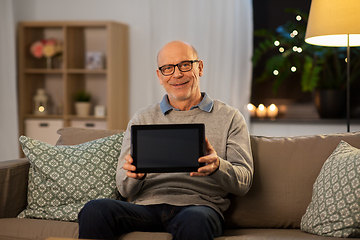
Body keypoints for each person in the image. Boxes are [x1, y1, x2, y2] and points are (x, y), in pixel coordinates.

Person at [78, 41, 254, 240]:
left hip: (199, 208)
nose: (177, 74)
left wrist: (217, 167)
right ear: (160, 76)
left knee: (195, 220)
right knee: (95, 210)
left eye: (185, 65)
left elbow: (244, 182)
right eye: (167, 68)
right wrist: (134, 175)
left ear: (200, 67)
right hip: (146, 208)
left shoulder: (230, 117)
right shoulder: (142, 118)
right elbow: (123, 187)